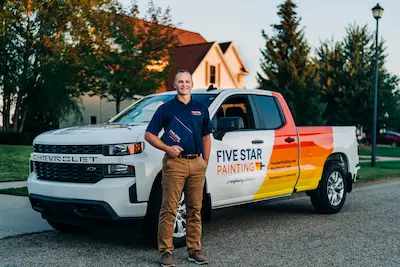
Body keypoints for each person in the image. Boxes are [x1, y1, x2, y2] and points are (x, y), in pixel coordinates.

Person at [144, 70, 212, 267]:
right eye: (180, 82)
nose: (184, 85)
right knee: (169, 209)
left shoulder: (201, 108)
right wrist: (167, 148)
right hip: (175, 164)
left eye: (187, 81)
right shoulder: (166, 109)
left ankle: (194, 250)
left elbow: (207, 136)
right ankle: (166, 252)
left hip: (197, 164)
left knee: (195, 209)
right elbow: (149, 134)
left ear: (192, 84)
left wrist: (204, 161)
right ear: (175, 85)